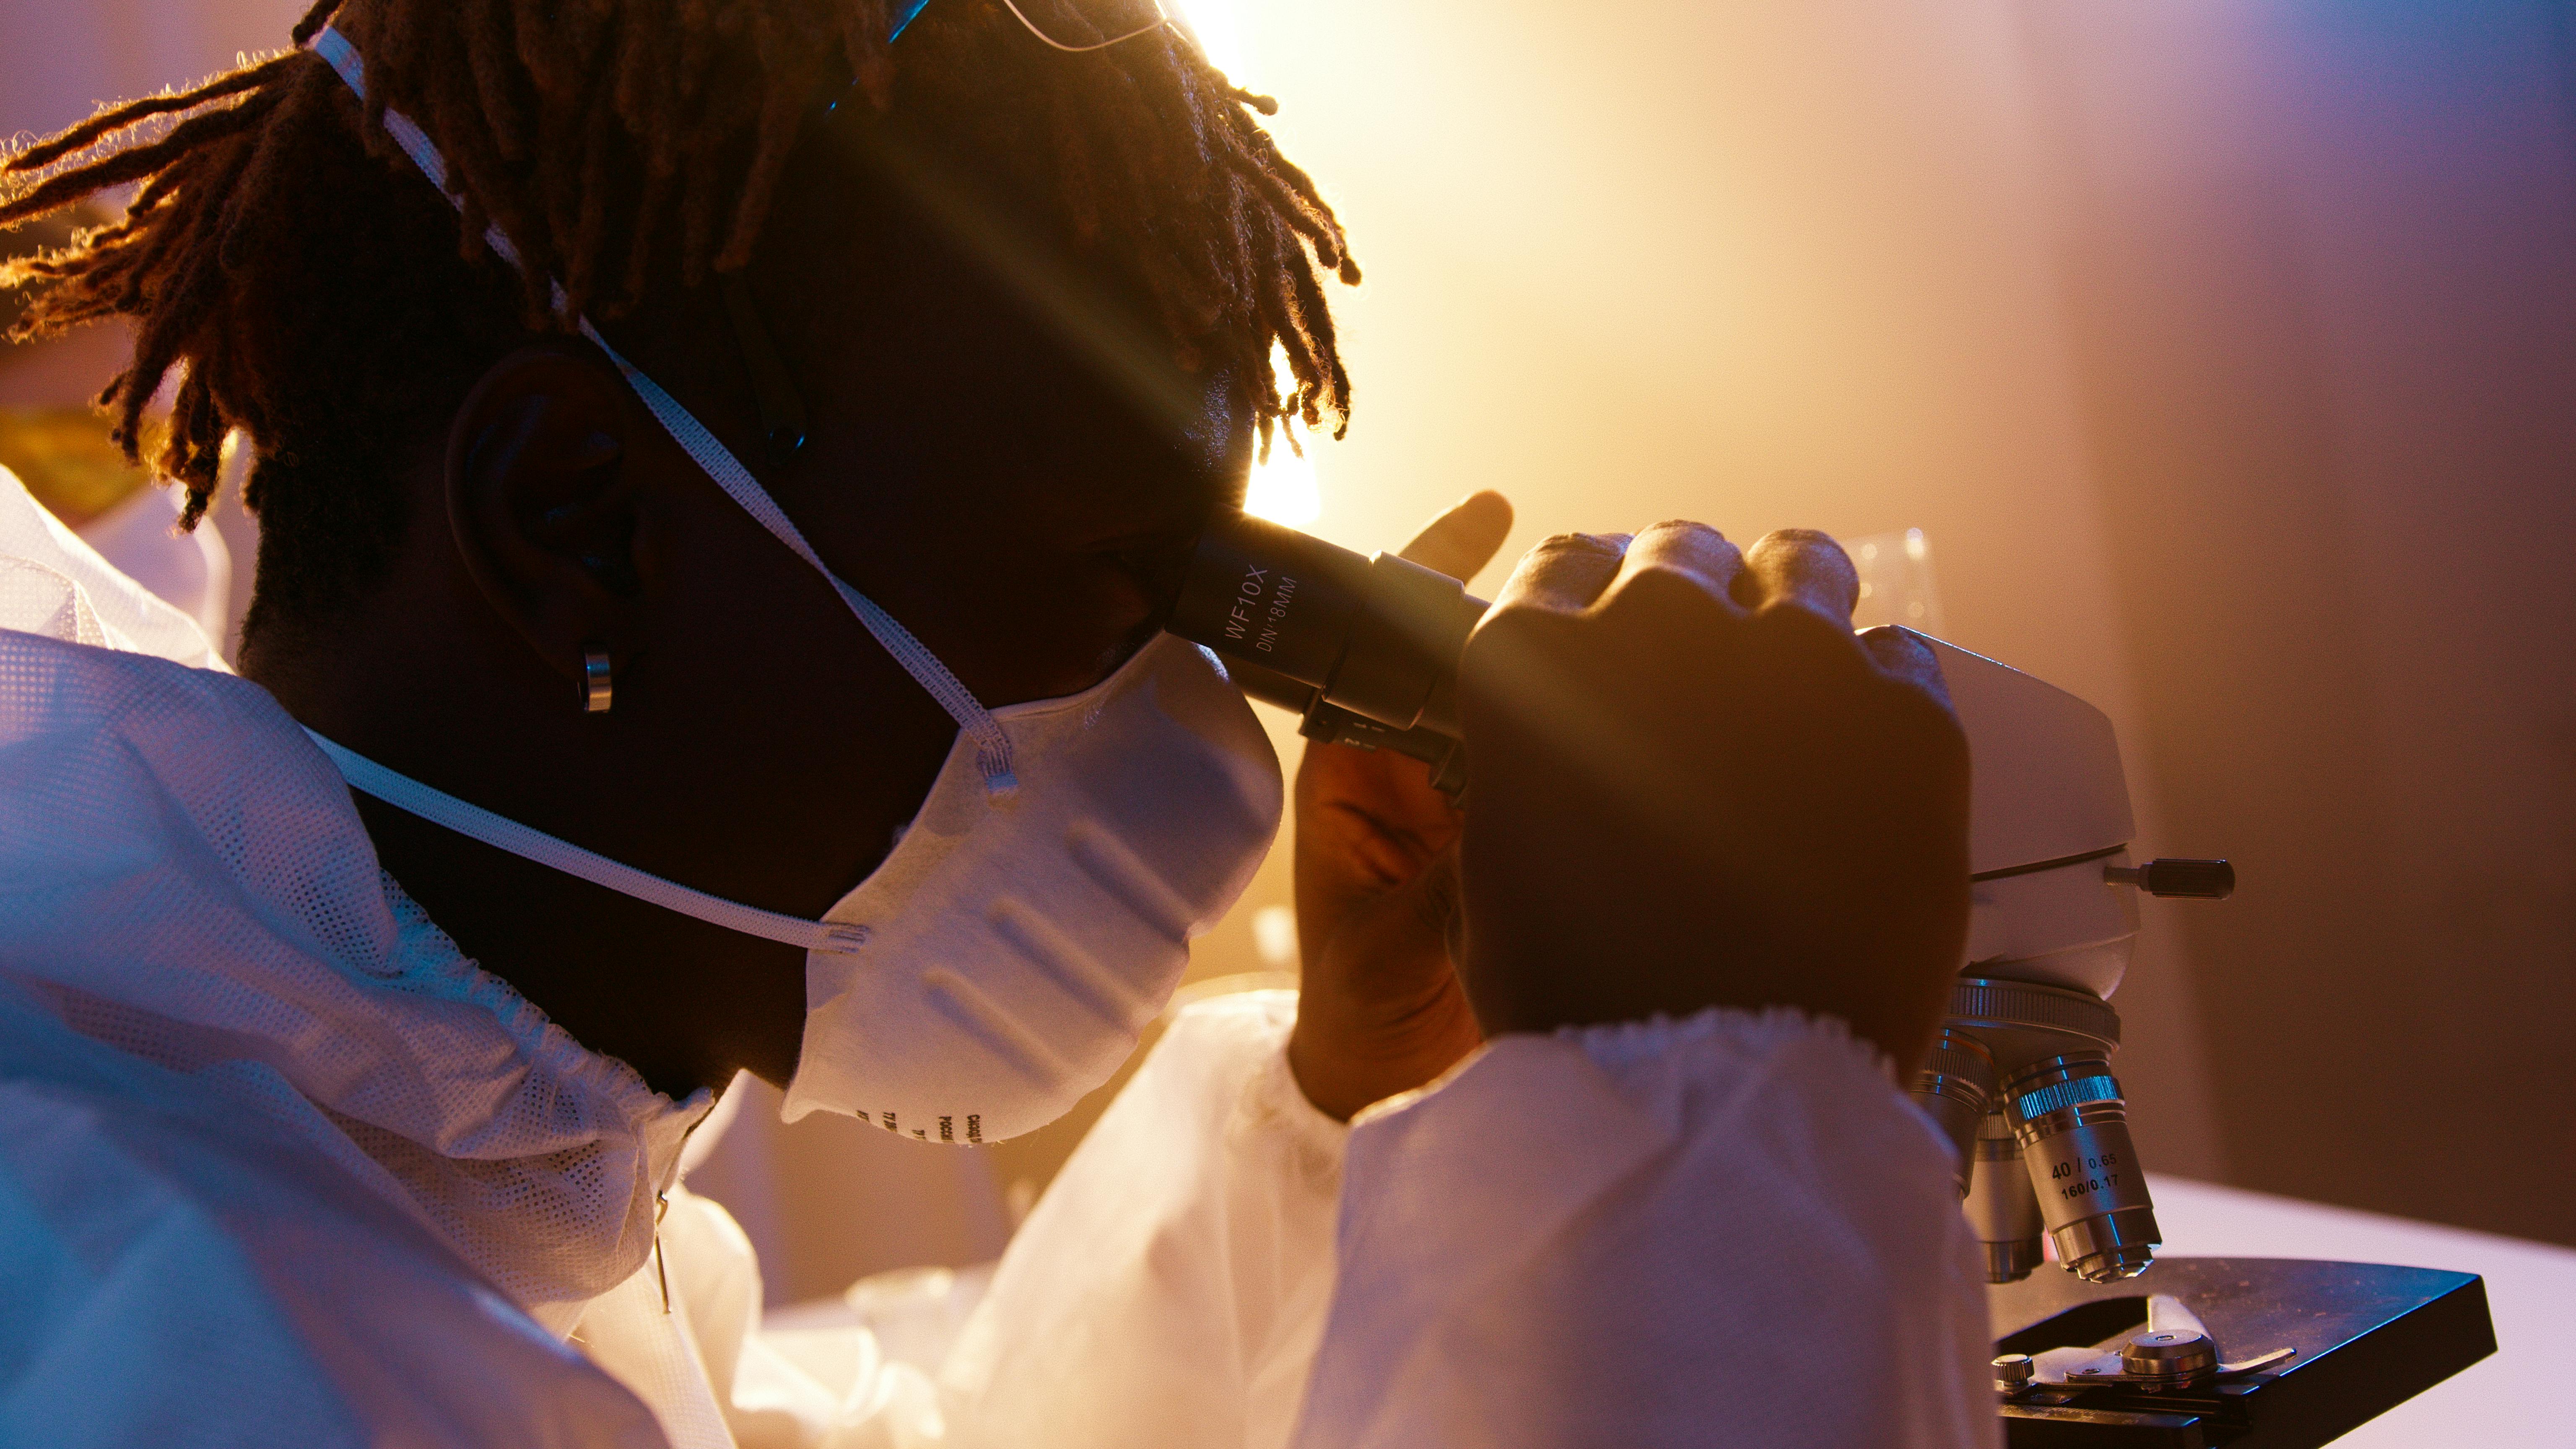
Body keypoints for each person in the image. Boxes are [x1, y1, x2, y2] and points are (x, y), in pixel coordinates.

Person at [0, 2, 1992, 1444]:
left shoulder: (416, 1156)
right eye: (1129, 572)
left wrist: (1344, 1122)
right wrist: (1710, 1132)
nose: (1199, 722)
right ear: (573, 521)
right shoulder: (174, 1357)